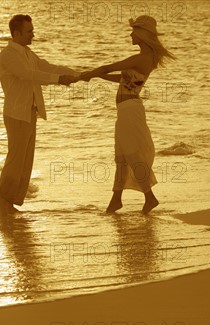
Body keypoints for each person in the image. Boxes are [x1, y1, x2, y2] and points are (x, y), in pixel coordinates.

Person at [79, 15, 176, 214]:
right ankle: (116, 200)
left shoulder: (141, 58)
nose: (131, 34)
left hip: (130, 111)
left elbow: (110, 67)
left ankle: (150, 197)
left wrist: (88, 74)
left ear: (142, 34)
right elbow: (121, 78)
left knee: (131, 155)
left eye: (134, 31)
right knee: (122, 157)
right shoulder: (144, 58)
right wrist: (97, 75)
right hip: (126, 111)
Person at [0, 14, 78, 217]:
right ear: (16, 33)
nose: (33, 34)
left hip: (29, 113)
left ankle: (11, 204)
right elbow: (29, 75)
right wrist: (59, 79)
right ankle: (2, 205)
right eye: (29, 31)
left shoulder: (28, 53)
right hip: (16, 114)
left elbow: (47, 67)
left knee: (25, 161)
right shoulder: (8, 55)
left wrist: (79, 74)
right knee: (15, 159)